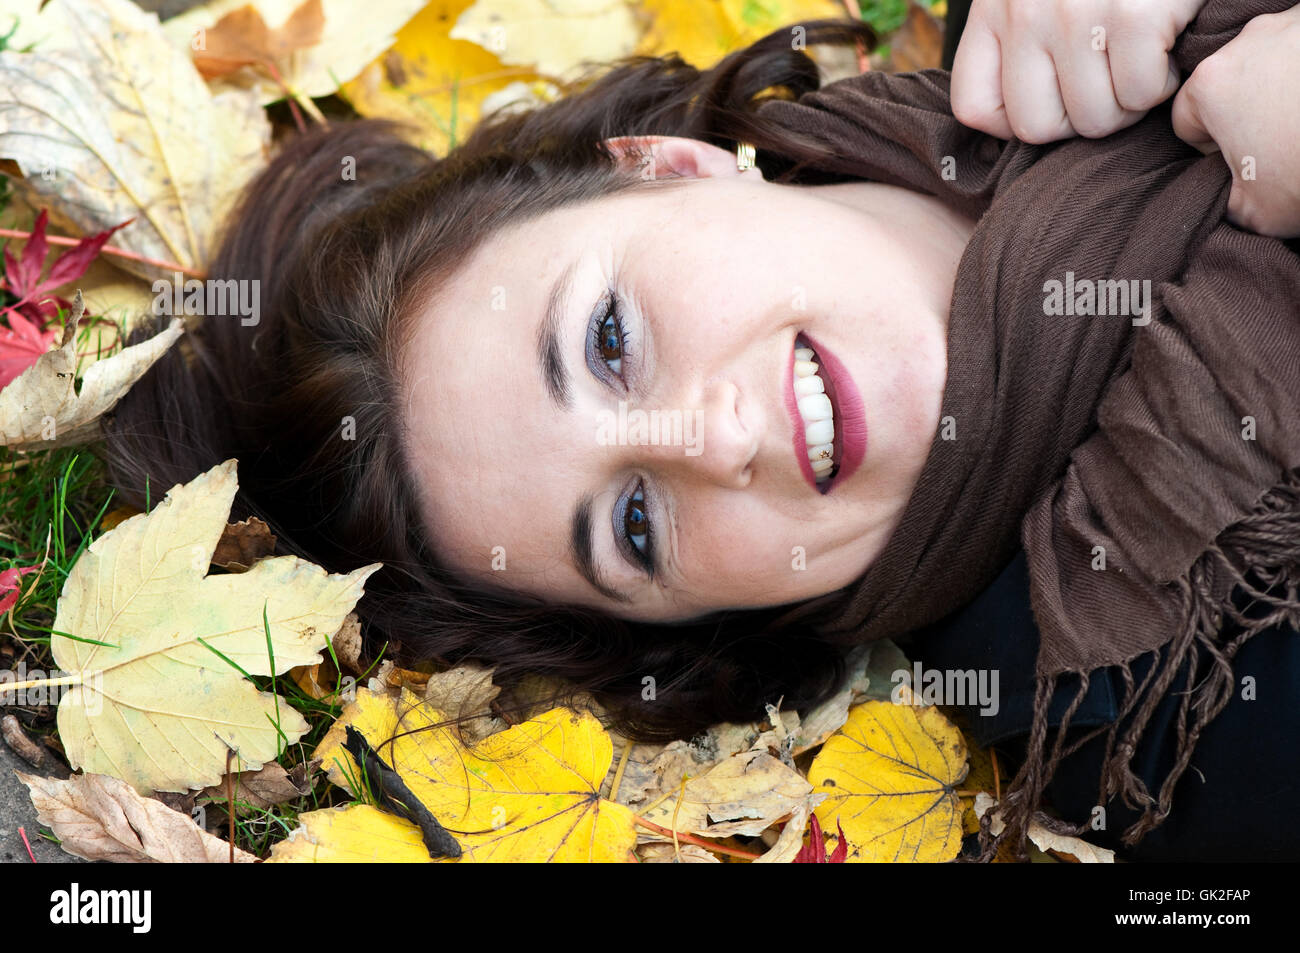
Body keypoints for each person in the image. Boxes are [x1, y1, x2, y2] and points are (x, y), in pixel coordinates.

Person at [101, 2, 1300, 861]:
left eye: (609, 340)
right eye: (633, 523)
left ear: (671, 167)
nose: (708, 439)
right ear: (701, 623)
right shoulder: (1162, 729)